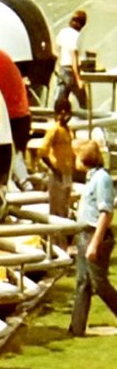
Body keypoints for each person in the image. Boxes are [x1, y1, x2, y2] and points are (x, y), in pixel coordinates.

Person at [69, 139, 117, 336]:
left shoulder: (101, 179)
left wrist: (94, 244)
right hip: (84, 235)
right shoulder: (91, 178)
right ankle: (76, 328)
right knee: (83, 282)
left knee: (99, 283)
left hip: (95, 236)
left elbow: (106, 212)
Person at [37, 98, 77, 220]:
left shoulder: (69, 130)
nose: (65, 116)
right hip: (57, 174)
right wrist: (54, 169)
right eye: (62, 113)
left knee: (65, 206)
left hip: (67, 173)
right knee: (56, 209)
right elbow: (42, 152)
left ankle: (64, 238)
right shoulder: (54, 130)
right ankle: (55, 238)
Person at [55, 10, 88, 111]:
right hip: (71, 71)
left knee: (61, 99)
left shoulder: (63, 32)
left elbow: (57, 52)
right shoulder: (76, 35)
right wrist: (78, 79)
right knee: (83, 100)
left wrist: (56, 68)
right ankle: (88, 119)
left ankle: (59, 118)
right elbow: (73, 55)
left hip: (62, 69)